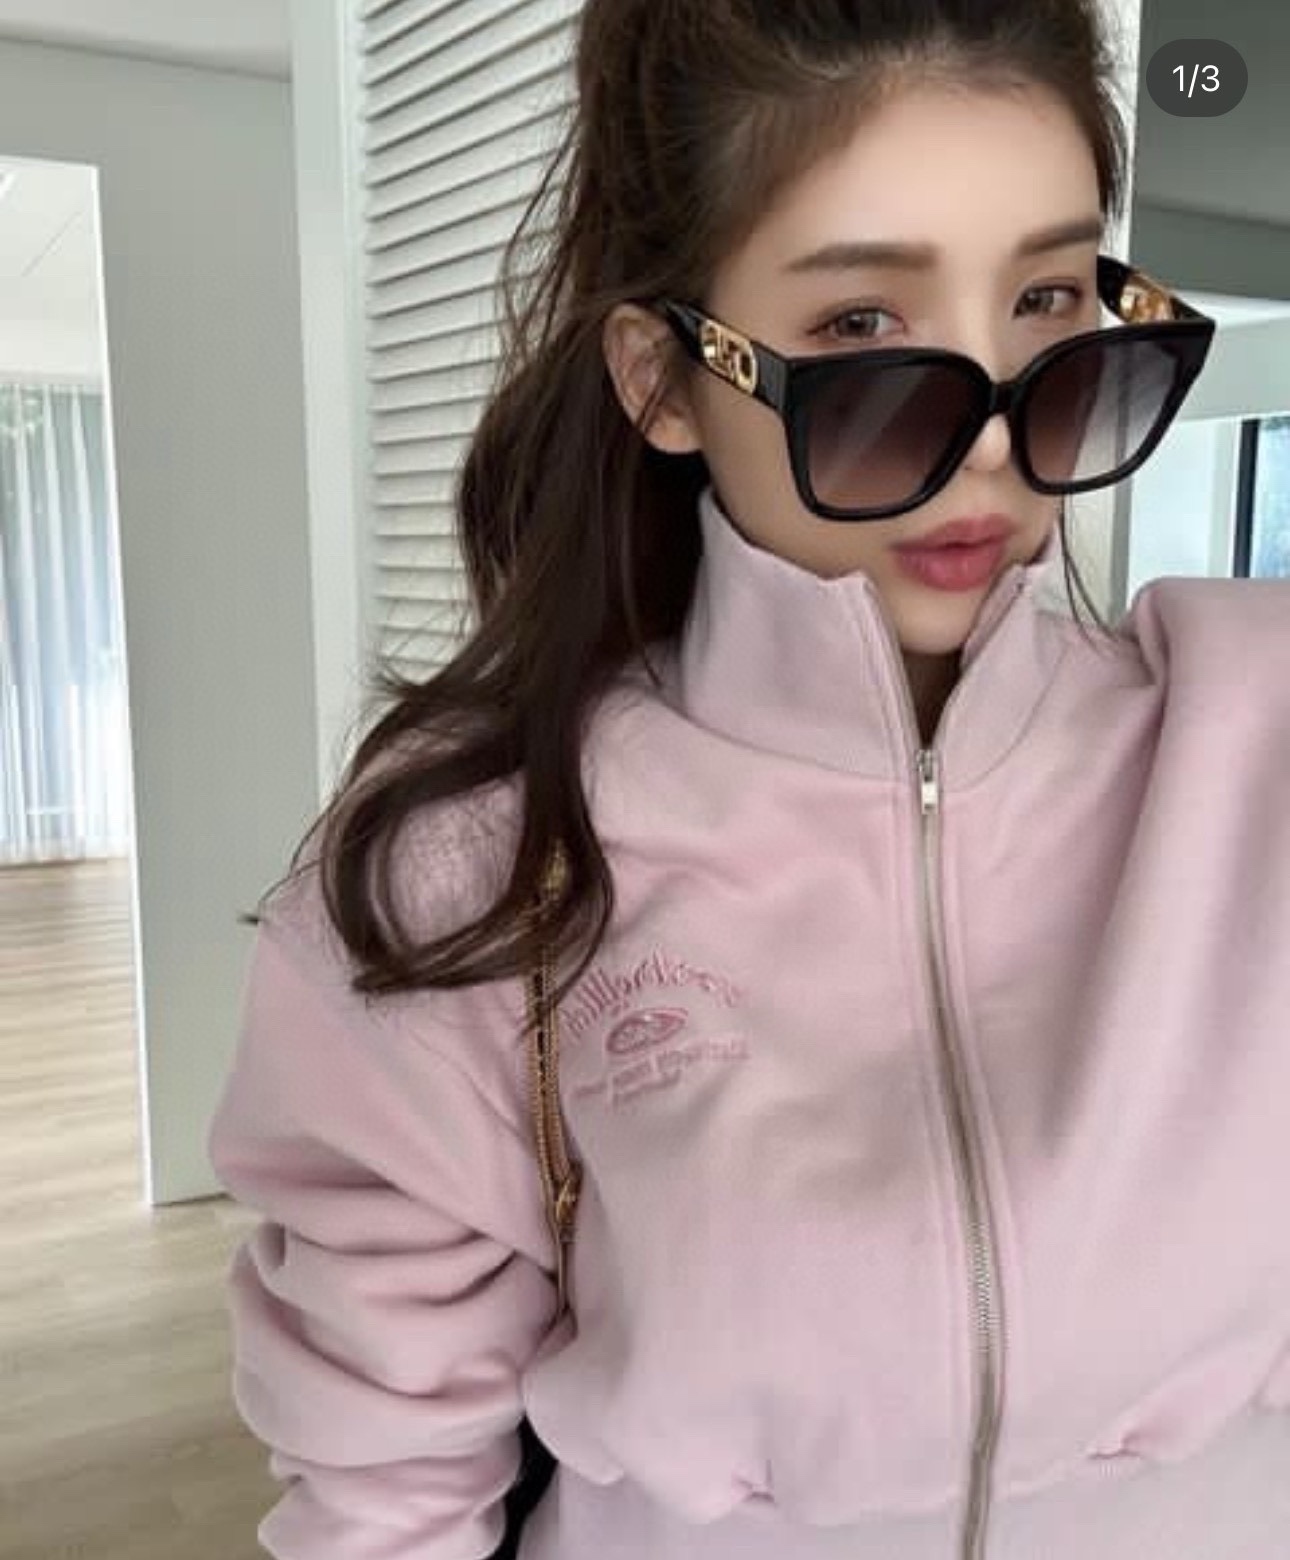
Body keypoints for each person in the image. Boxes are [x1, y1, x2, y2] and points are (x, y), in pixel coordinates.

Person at [208, 1, 1290, 1557]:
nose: (991, 441)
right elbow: (386, 1496)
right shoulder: (470, 878)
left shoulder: (1248, 747)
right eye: (859, 326)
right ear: (661, 380)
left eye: (1045, 301)